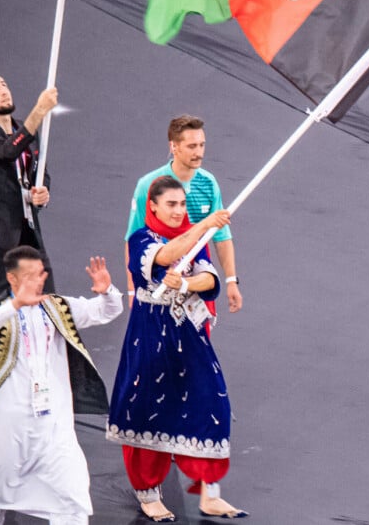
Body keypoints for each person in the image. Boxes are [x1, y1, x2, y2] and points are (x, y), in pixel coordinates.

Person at [108, 176, 247, 521]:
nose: (178, 211)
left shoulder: (196, 239)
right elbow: (166, 255)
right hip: (152, 334)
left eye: (183, 205)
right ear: (152, 206)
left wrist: (186, 282)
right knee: (146, 407)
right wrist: (201, 226)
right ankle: (148, 494)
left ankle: (209, 491)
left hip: (187, 331)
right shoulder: (142, 239)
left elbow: (209, 279)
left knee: (211, 399)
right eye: (171, 204)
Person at [0, 246, 124, 525]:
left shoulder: (56, 307)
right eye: (31, 275)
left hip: (52, 425)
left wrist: (106, 291)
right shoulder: (0, 312)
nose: (39, 281)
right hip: (6, 427)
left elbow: (104, 311)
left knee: (72, 497)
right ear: (13, 279)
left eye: (41, 274)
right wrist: (14, 305)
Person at [125, 114, 242, 313]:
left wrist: (231, 280)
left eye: (202, 145)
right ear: (174, 147)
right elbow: (133, 240)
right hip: (158, 278)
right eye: (192, 146)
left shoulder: (209, 183)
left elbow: (221, 237)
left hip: (195, 280)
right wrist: (132, 291)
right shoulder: (148, 185)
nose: (199, 153)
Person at [0, 73, 57, 315]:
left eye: (4, 85)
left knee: (46, 297)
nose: (3, 91)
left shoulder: (24, 131)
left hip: (26, 229)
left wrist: (41, 191)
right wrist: (38, 111)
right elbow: (7, 151)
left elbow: (40, 171)